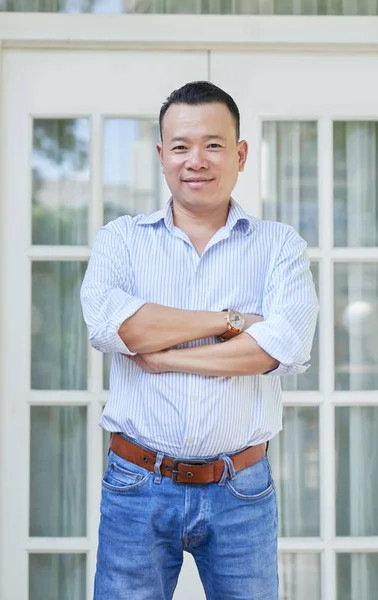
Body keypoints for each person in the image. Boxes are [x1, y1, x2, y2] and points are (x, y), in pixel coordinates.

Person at [80, 80, 319, 600]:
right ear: (163, 156)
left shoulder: (279, 246)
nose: (197, 161)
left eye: (213, 145)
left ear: (239, 154)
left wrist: (164, 357)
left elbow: (281, 348)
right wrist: (230, 320)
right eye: (182, 147)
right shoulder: (121, 240)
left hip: (242, 489)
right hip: (136, 483)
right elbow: (116, 328)